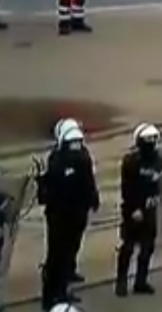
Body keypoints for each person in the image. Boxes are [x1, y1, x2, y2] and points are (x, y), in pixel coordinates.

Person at [37, 127, 100, 310]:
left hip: (77, 214)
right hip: (58, 217)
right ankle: (49, 298)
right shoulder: (56, 161)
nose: (76, 147)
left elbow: (88, 181)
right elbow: (47, 193)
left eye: (78, 143)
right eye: (72, 143)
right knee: (56, 258)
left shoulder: (83, 159)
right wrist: (42, 182)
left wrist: (93, 199)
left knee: (68, 255)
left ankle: (63, 292)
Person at [115, 123, 162, 297]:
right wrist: (134, 208)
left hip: (150, 209)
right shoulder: (131, 162)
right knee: (128, 247)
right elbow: (127, 188)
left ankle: (140, 281)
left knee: (147, 247)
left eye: (154, 139)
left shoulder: (159, 160)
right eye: (148, 140)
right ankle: (121, 282)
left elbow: (160, 182)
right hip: (133, 209)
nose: (151, 143)